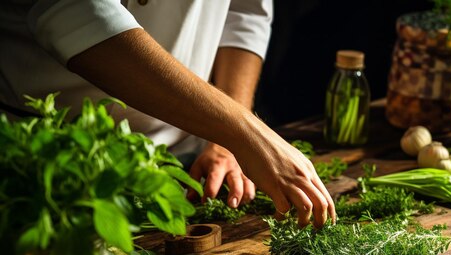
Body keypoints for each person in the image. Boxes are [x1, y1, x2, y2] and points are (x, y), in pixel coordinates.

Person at [0, 0, 335, 228]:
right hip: (46, 161)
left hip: (182, 159)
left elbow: (244, 10)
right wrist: (245, 132)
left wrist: (225, 140)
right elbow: (74, 13)